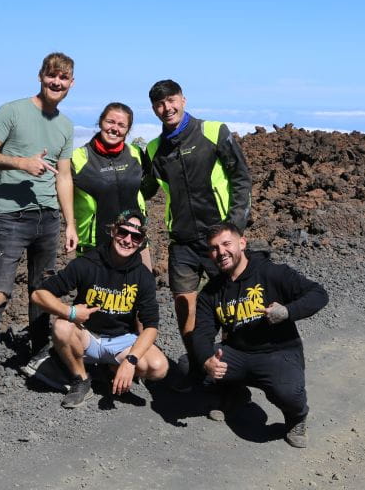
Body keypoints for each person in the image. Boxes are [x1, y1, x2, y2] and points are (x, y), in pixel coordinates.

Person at [0, 52, 78, 416]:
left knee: (42, 293)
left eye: (63, 79)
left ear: (71, 84)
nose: (57, 83)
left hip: (48, 219)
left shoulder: (65, 125)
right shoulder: (12, 111)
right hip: (11, 217)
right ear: (41, 76)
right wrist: (22, 163)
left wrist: (70, 223)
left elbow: (64, 177)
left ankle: (38, 359)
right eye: (52, 77)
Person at [144, 79, 252, 388]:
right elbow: (143, 189)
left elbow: (241, 179)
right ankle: (197, 363)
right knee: (183, 303)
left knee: (233, 304)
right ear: (154, 109)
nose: (167, 108)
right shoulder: (155, 149)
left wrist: (234, 229)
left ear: (184, 99)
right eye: (160, 104)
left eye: (172, 100)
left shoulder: (213, 132)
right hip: (182, 241)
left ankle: (233, 367)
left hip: (219, 239)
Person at [193, 222, 328, 448]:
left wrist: (287, 312)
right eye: (214, 248)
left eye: (226, 244)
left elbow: (318, 294)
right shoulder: (211, 291)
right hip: (238, 353)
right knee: (191, 363)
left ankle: (297, 417)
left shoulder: (272, 272)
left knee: (288, 393)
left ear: (242, 243)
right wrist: (207, 359)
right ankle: (235, 392)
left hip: (277, 352)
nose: (221, 252)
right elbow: (202, 332)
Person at [31, 211, 169, 408]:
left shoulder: (142, 276)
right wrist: (70, 312)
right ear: (113, 231)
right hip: (87, 336)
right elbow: (38, 295)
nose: (128, 240)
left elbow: (151, 327)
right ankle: (81, 378)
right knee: (62, 326)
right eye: (123, 232)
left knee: (158, 367)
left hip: (121, 341)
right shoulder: (87, 263)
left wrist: (130, 362)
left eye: (135, 237)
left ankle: (111, 369)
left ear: (141, 242)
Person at [71, 102, 151, 268]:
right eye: (110, 122)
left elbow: (149, 186)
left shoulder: (136, 154)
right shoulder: (78, 158)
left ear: (128, 130)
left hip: (135, 240)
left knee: (142, 291)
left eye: (122, 125)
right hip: (94, 245)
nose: (115, 128)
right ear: (100, 122)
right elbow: (61, 193)